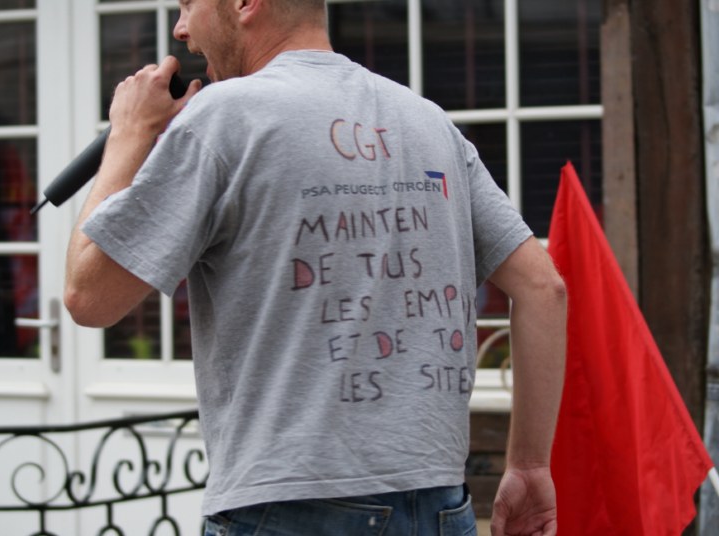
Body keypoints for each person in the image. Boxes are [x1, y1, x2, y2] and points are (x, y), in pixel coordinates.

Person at [64, 0, 567, 534]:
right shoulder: (427, 121)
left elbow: (87, 296)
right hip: (440, 505)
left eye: (190, 4)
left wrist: (127, 135)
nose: (180, 28)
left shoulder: (225, 116)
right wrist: (531, 466)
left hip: (287, 507)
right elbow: (543, 287)